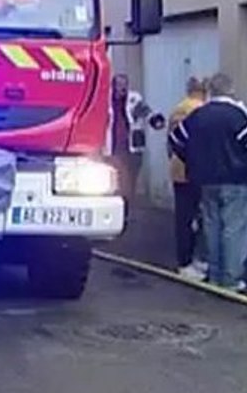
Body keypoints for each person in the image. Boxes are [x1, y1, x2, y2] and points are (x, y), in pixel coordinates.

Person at [169, 72, 247, 290]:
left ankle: (214, 276)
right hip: (236, 181)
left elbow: (176, 140)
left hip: (204, 181)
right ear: (230, 89)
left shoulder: (198, 115)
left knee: (211, 227)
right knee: (234, 228)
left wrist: (193, 161)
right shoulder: (238, 116)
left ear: (211, 90)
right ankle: (230, 279)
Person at [106, 74, 165, 221]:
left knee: (130, 181)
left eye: (124, 84)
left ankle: (126, 209)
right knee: (115, 181)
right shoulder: (105, 100)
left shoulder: (133, 99)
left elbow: (146, 112)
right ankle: (116, 210)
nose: (122, 88)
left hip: (133, 147)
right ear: (113, 86)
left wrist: (156, 121)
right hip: (112, 148)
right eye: (119, 85)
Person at [168, 77, 209, 280]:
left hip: (177, 169)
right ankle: (191, 261)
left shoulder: (178, 108)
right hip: (194, 170)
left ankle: (184, 261)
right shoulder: (199, 110)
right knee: (198, 217)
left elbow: (172, 140)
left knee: (183, 218)